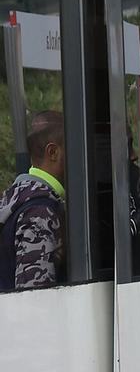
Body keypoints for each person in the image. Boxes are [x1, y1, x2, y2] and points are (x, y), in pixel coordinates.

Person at [1, 110, 66, 291]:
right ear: (52, 152)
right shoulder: (40, 212)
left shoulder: (17, 199)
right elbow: (35, 297)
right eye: (74, 150)